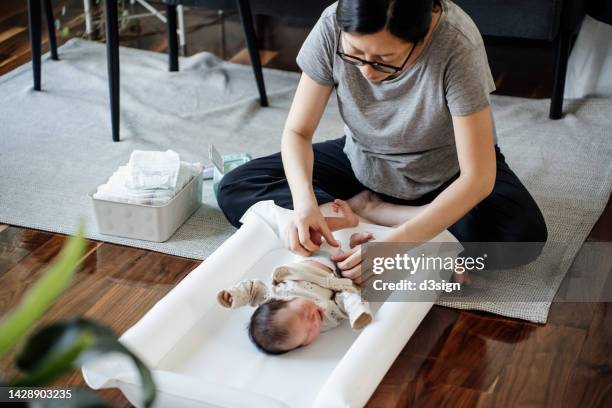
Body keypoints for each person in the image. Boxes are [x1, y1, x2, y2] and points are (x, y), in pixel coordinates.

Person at [217, 0, 548, 284]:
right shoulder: (333, 22)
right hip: (363, 158)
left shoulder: (456, 44)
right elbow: (297, 133)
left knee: (523, 237)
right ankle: (387, 218)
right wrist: (304, 206)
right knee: (235, 187)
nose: (367, 73)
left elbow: (478, 179)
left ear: (421, 37)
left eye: (383, 60)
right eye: (355, 54)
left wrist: (395, 247)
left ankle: (374, 211)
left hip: (447, 174)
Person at [217, 200, 373, 354]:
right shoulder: (329, 317)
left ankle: (348, 221)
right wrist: (358, 313)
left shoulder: (272, 296)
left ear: (282, 301)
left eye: (304, 314)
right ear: (304, 344)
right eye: (308, 333)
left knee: (310, 231)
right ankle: (355, 245)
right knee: (365, 272)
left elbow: (253, 290)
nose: (314, 321)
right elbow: (347, 298)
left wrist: (236, 295)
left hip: (309, 257)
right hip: (339, 271)